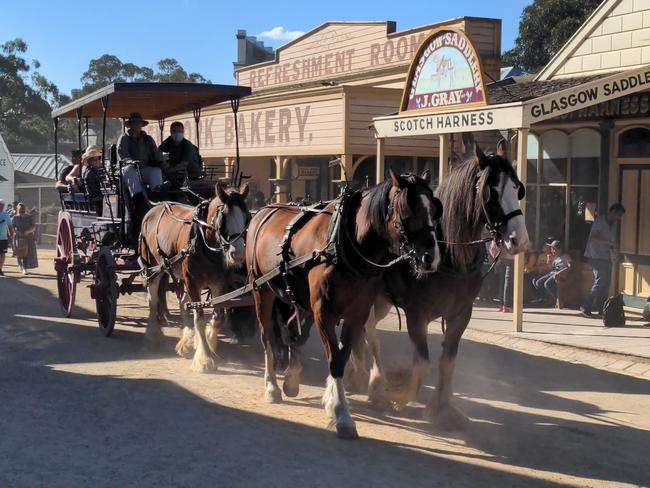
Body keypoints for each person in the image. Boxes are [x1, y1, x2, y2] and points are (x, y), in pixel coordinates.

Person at [117, 112, 163, 242]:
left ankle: (155, 194)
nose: (137, 125)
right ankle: (137, 197)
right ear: (130, 125)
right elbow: (122, 155)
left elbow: (156, 155)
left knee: (156, 171)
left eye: (139, 123)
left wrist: (163, 163)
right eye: (134, 123)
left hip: (144, 169)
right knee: (130, 170)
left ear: (141, 125)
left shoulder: (147, 139)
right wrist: (130, 161)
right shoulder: (124, 138)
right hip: (127, 169)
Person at [581, 203, 626, 318]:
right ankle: (586, 306)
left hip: (606, 256)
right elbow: (593, 239)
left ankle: (602, 308)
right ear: (613, 212)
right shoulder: (600, 222)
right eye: (618, 215)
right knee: (600, 282)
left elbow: (611, 241)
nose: (619, 218)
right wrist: (609, 243)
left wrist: (614, 253)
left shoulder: (614, 224)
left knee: (606, 284)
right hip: (595, 256)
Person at [158, 121, 201, 190]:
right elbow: (158, 151)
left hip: (190, 173)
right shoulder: (170, 141)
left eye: (179, 131)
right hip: (176, 172)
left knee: (166, 184)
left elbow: (183, 165)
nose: (177, 133)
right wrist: (162, 163)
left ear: (183, 132)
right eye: (174, 131)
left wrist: (169, 169)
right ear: (171, 132)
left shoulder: (187, 145)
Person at [532, 240, 572, 306]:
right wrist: (549, 262)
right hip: (552, 273)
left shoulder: (565, 257)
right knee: (538, 282)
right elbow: (551, 268)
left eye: (554, 249)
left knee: (547, 284)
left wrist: (560, 272)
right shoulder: (555, 257)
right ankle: (548, 298)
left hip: (560, 275)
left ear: (559, 250)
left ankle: (558, 299)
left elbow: (570, 267)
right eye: (552, 249)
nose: (552, 251)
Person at [12, 202, 38, 274]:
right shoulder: (15, 217)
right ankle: (21, 266)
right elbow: (13, 227)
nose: (21, 213)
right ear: (18, 210)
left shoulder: (30, 217)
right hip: (18, 236)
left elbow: (33, 226)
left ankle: (25, 267)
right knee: (19, 252)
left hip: (28, 237)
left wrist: (28, 231)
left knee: (27, 253)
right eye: (20, 211)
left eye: (23, 211)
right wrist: (17, 231)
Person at [80, 145, 105, 214]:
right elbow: (95, 191)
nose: (97, 161)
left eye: (99, 158)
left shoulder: (101, 171)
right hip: (94, 199)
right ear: (89, 161)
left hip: (101, 196)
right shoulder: (90, 173)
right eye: (95, 160)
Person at [0, 199, 14, 277]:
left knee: (2, 254)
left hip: (3, 238)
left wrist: (11, 235)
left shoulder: (6, 215)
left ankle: (0, 269)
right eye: (0, 205)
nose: (1, 207)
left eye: (2, 206)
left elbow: (10, 226)